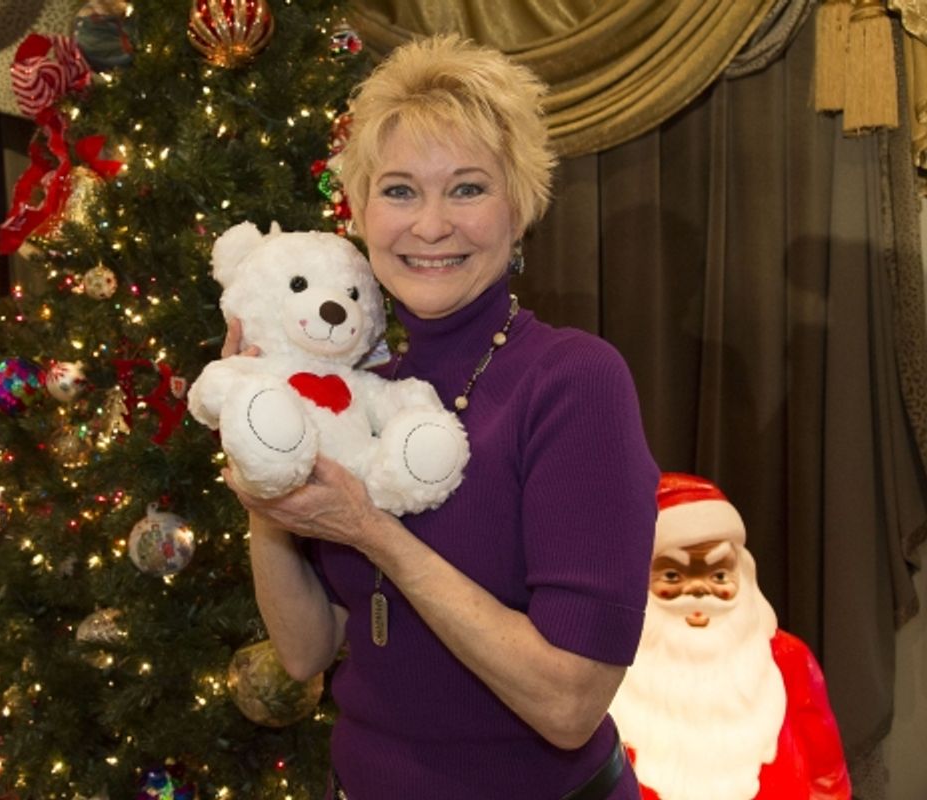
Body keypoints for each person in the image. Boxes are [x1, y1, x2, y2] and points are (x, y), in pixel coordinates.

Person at [219, 34, 659, 799]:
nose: (429, 226)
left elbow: (568, 705)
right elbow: (305, 651)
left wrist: (372, 531)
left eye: (466, 189)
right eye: (398, 191)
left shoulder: (574, 382)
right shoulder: (362, 392)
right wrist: (262, 476)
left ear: (518, 210)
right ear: (359, 214)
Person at [608, 472, 851, 800]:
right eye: (673, 575)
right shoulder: (609, 669)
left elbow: (827, 776)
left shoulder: (787, 659)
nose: (698, 589)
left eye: (719, 574)